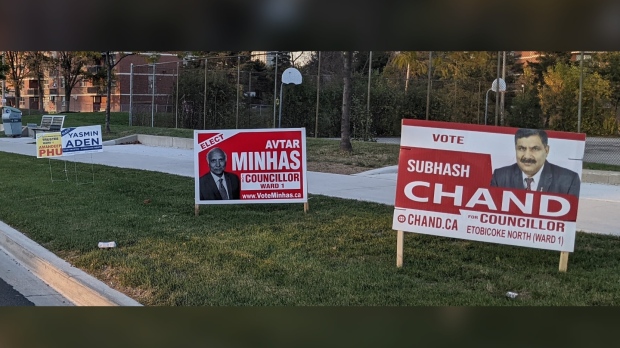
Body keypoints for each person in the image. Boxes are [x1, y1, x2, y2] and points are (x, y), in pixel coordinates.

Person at [490, 128, 580, 197]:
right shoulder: (500, 177)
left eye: (535, 149)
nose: (527, 156)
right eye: (521, 148)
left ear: (546, 150)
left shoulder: (568, 181)